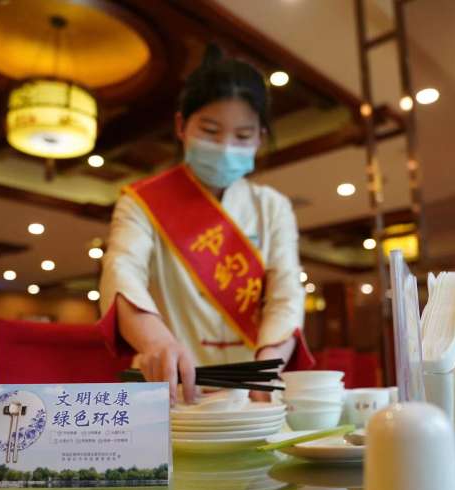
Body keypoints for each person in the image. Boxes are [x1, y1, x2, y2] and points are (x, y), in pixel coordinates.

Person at [100, 46, 313, 405]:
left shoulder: (272, 207)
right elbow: (122, 273)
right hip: (167, 386)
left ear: (260, 138)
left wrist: (268, 364)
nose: (226, 147)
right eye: (211, 131)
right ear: (181, 126)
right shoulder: (141, 201)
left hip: (249, 390)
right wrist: (157, 343)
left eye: (242, 136)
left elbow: (286, 293)